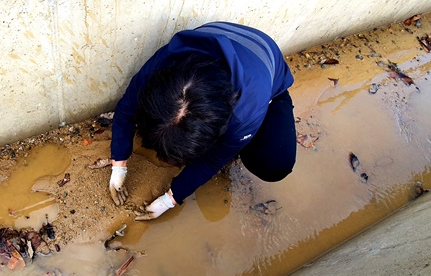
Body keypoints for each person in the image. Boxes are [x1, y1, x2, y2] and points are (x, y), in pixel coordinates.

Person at [109, 22, 296, 220]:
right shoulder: (163, 65)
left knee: (275, 164)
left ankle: (247, 142)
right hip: (226, 47)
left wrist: (171, 198)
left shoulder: (245, 112)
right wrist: (118, 164)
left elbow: (214, 159)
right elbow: (126, 108)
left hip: (267, 77)